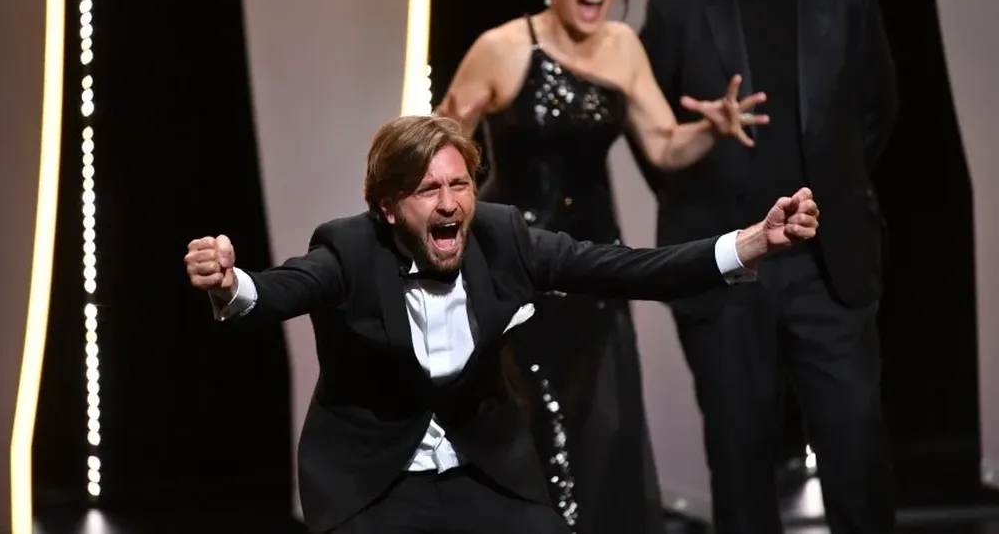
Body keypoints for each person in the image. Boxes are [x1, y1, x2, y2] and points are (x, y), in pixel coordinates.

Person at [184, 115, 820, 534]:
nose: (449, 203)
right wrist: (229, 284)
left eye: (460, 184)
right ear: (387, 205)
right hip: (372, 482)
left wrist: (752, 243)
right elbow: (276, 293)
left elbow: (629, 269)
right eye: (427, 189)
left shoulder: (502, 236)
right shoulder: (349, 250)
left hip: (484, 469)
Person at [435, 0, 768, 534]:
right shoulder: (503, 48)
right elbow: (441, 152)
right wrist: (458, 158)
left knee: (602, 432)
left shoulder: (622, 46)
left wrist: (715, 127)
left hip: (596, 268)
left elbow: (666, 146)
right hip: (519, 272)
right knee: (539, 430)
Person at [630, 0, 899, 532]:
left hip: (828, 264)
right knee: (739, 456)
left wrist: (827, 198)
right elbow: (653, 140)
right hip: (726, 267)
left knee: (854, 447)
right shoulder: (674, 9)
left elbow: (878, 113)